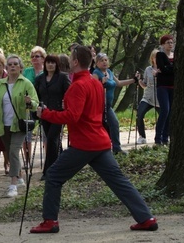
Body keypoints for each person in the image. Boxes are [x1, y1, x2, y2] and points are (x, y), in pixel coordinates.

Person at [30, 45, 158, 234]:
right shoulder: (95, 82)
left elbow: (71, 116)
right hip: (100, 142)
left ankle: (50, 221)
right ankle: (146, 218)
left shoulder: (77, 86)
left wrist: (46, 114)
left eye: (71, 57)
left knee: (54, 175)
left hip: (84, 144)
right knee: (119, 181)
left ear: (75, 62)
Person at [0, 55, 39, 198]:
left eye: (15, 64)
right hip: (3, 124)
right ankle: (20, 176)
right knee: (9, 152)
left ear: (20, 67)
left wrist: (29, 102)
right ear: (6, 67)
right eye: (10, 64)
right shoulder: (0, 84)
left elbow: (35, 104)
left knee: (14, 151)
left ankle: (13, 184)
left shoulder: (26, 83)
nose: (13, 66)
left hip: (19, 124)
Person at [92, 53, 138, 155]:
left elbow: (119, 83)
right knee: (102, 127)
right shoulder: (96, 73)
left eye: (105, 60)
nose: (104, 62)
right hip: (99, 106)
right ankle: (99, 149)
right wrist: (101, 84)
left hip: (108, 106)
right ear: (97, 63)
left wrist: (134, 80)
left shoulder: (109, 72)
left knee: (114, 124)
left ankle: (116, 148)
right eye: (101, 61)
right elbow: (92, 89)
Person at [34, 54, 70, 180]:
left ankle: (49, 170)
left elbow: (69, 92)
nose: (50, 65)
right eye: (48, 62)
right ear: (45, 64)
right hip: (44, 114)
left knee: (51, 140)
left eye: (53, 63)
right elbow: (36, 95)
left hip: (59, 114)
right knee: (54, 142)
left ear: (57, 64)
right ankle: (62, 165)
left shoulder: (63, 77)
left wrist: (66, 104)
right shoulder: (40, 78)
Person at [22, 46, 47, 163]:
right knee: (26, 132)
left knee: (46, 133)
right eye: (32, 57)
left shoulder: (47, 72)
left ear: (43, 58)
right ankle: (27, 161)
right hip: (29, 105)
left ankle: (48, 160)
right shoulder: (27, 71)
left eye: (37, 56)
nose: (34, 59)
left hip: (43, 104)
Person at [136, 50, 160, 144]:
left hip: (159, 98)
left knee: (164, 117)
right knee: (139, 114)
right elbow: (144, 85)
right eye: (155, 57)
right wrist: (139, 80)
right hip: (148, 97)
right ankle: (142, 136)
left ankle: (160, 135)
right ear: (152, 59)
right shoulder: (148, 69)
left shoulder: (164, 69)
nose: (157, 59)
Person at [155, 34, 174, 145]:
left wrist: (168, 67)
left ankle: (165, 138)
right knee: (165, 110)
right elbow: (162, 68)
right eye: (168, 42)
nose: (170, 44)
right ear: (163, 44)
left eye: (171, 42)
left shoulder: (175, 55)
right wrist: (170, 67)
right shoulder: (160, 55)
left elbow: (173, 69)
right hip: (162, 87)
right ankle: (158, 138)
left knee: (170, 112)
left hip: (173, 86)